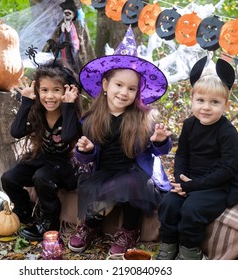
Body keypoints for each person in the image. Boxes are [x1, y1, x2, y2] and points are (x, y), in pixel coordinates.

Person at [67, 26, 172, 255]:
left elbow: (158, 150)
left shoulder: (145, 117)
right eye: (119, 85)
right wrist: (86, 150)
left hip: (134, 170)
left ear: (138, 92)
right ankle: (91, 226)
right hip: (105, 170)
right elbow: (88, 154)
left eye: (131, 88)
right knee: (89, 181)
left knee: (135, 183)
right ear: (105, 85)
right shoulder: (92, 119)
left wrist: (160, 140)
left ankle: (130, 229)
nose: (124, 92)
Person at [155, 56, 238, 260]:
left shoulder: (228, 133)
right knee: (169, 204)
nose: (206, 107)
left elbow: (226, 170)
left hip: (217, 185)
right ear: (192, 100)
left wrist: (192, 186)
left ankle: (189, 251)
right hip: (190, 180)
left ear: (226, 104)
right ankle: (168, 245)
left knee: (192, 209)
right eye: (200, 100)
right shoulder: (190, 124)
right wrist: (180, 179)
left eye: (214, 102)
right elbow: (182, 154)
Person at [0, 57, 82, 241]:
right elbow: (16, 131)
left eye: (56, 90)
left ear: (66, 91)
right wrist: (26, 102)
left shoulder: (71, 114)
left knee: (42, 176)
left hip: (66, 166)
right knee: (9, 177)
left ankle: (49, 221)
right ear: (38, 91)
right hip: (43, 159)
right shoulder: (38, 112)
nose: (50, 96)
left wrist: (68, 105)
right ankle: (25, 211)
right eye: (44, 90)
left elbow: (68, 137)